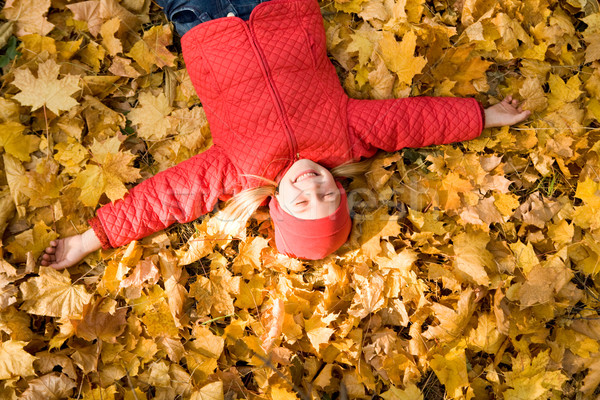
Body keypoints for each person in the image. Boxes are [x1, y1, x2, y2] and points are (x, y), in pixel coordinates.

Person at [40, 0, 530, 269]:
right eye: (327, 194)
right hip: (280, 8)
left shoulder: (237, 170)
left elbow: (168, 199)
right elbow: (413, 124)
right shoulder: (347, 137)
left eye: (301, 202)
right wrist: (482, 117)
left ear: (275, 207)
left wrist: (89, 240)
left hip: (204, 20)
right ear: (340, 187)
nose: (310, 184)